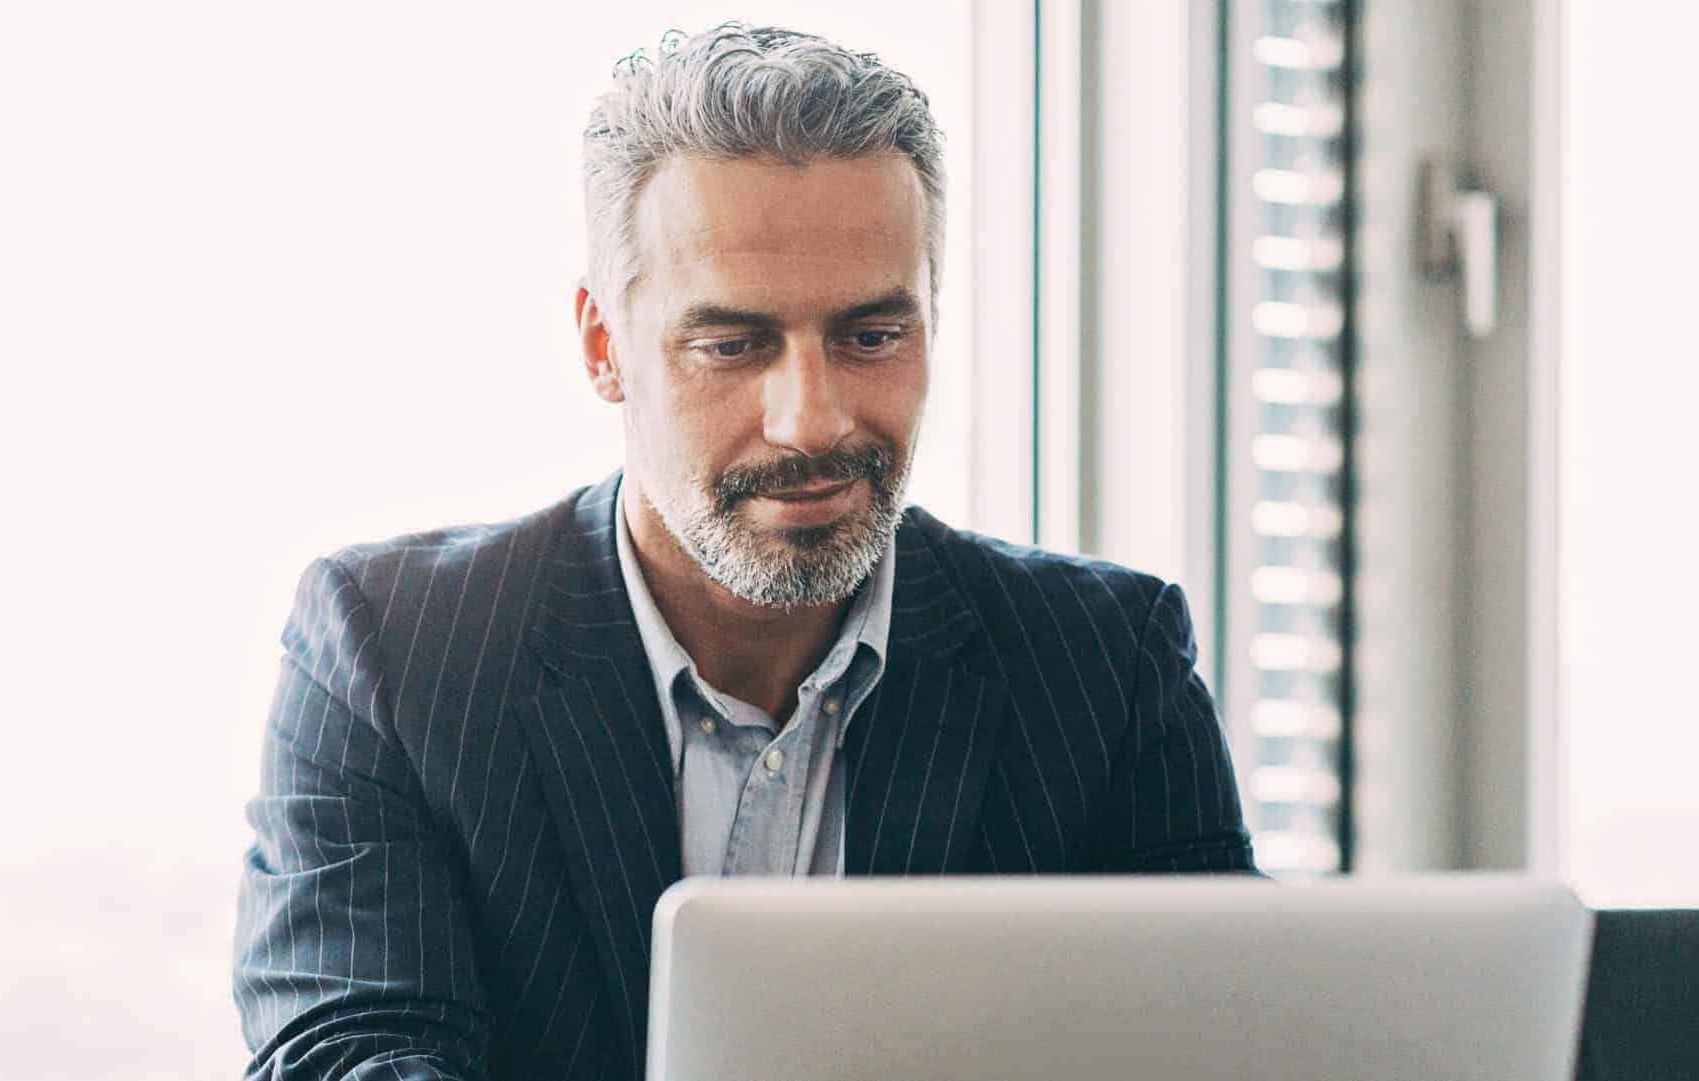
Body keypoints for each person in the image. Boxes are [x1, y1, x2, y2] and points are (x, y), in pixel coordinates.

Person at [232, 22, 1254, 1081]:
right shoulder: (394, 652)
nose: (810, 421)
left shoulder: (1106, 664)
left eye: (871, 336)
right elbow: (348, 1052)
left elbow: (1239, 1041)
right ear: (604, 348)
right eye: (734, 343)